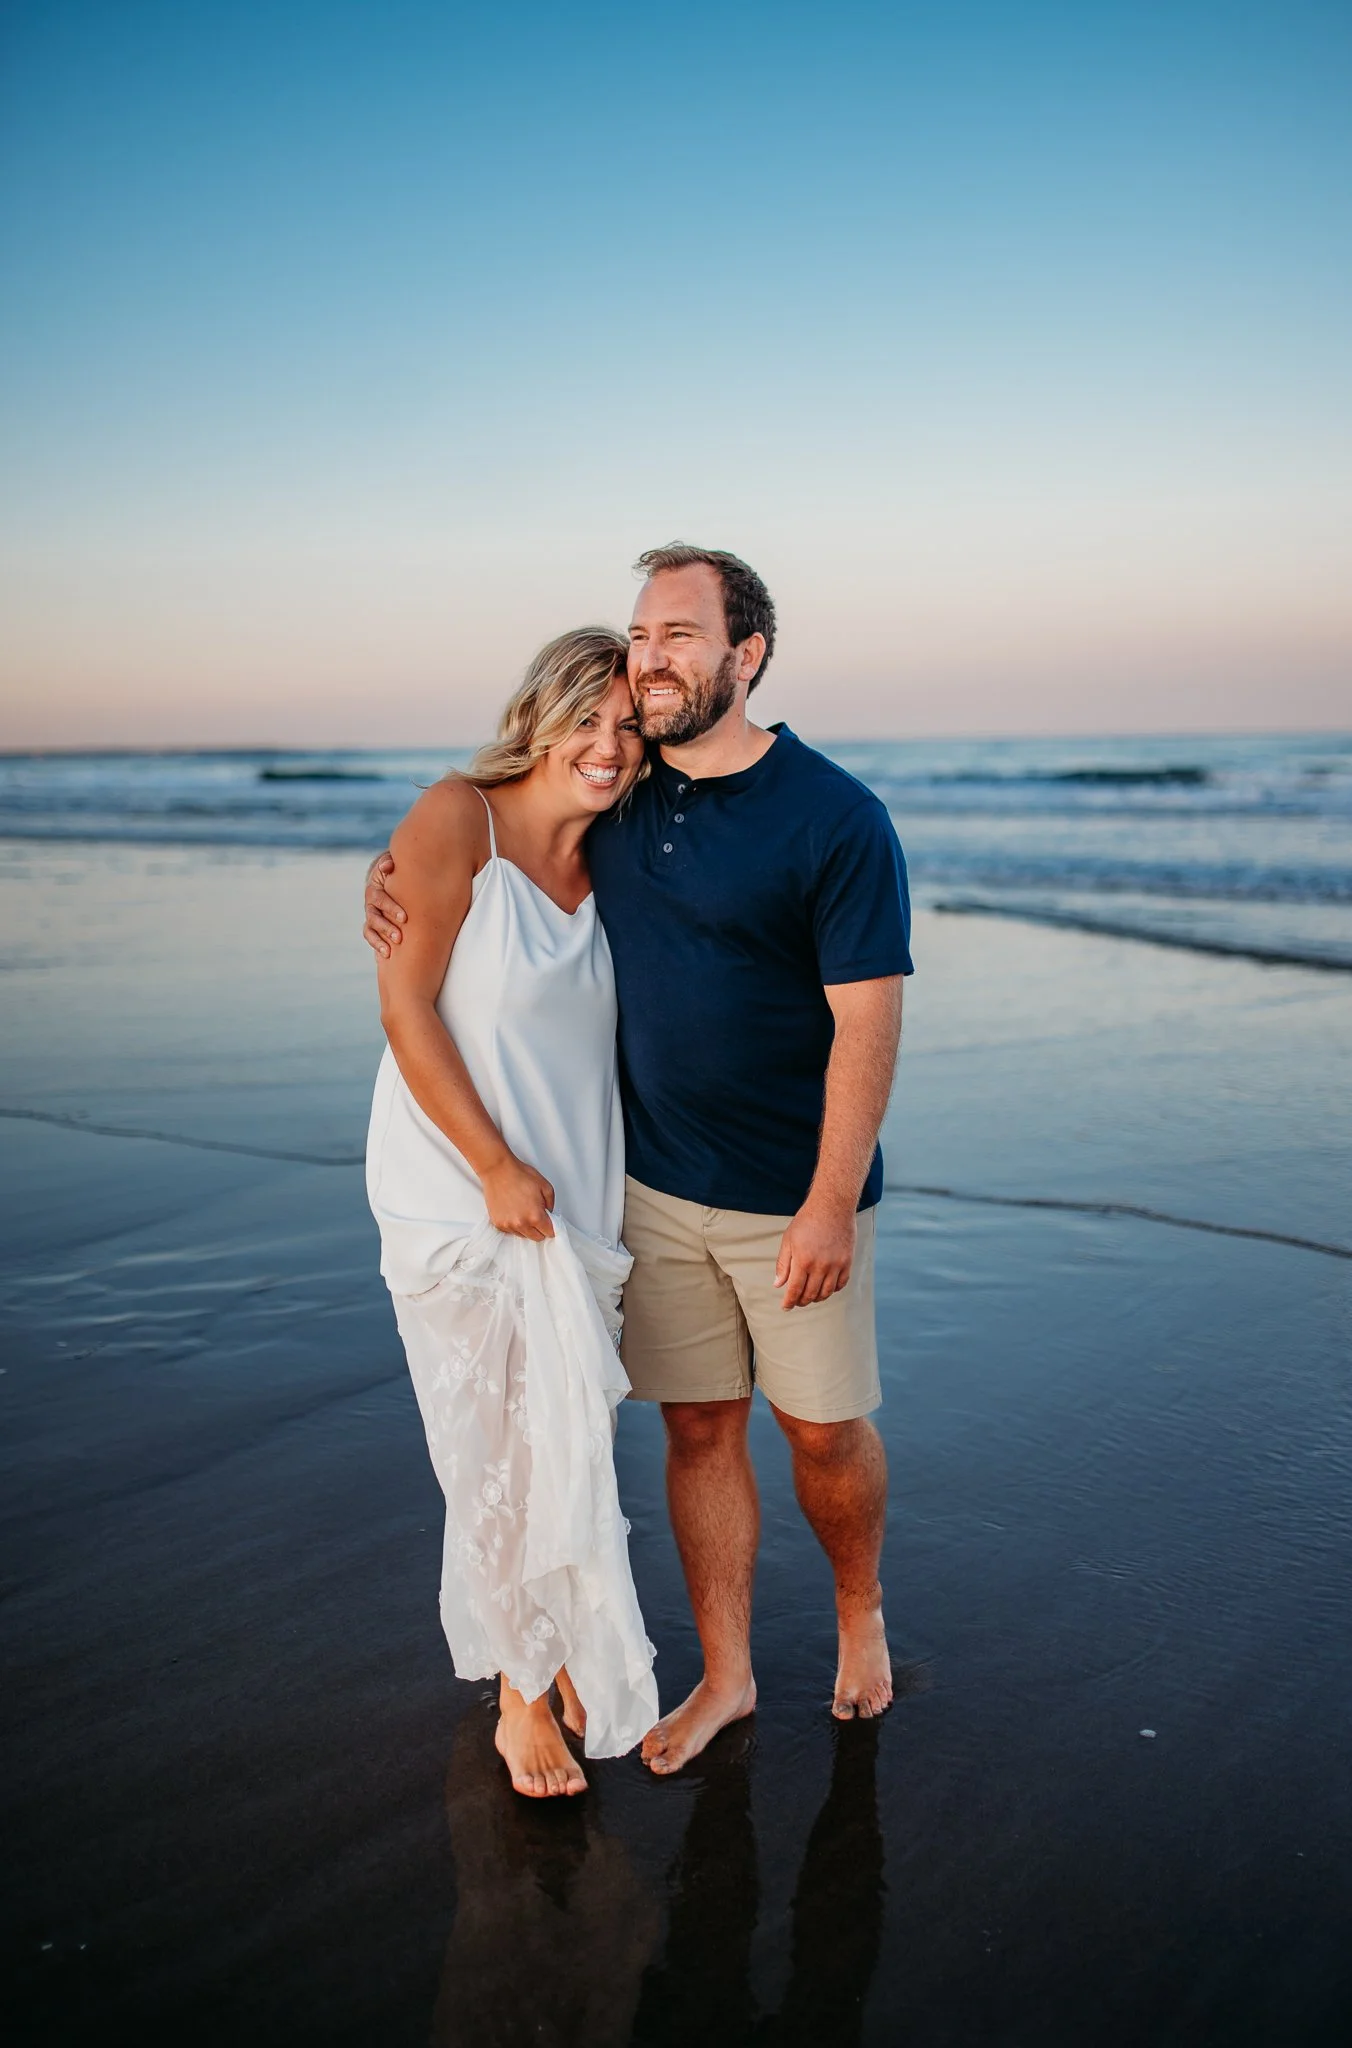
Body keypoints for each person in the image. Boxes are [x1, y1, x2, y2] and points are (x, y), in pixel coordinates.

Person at [367, 545, 912, 1774]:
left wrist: (832, 1199)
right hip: (638, 1189)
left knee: (822, 1432)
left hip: (785, 1196)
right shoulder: (620, 797)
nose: (648, 670)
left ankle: (860, 1609)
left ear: (746, 654)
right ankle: (720, 1675)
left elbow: (870, 1022)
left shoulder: (833, 817)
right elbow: (472, 865)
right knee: (682, 1432)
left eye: (679, 636)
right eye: (642, 634)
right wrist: (395, 872)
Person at [366, 626, 657, 1800]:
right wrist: (491, 1164)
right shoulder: (458, 818)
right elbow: (406, 1008)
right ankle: (520, 1695)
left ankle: (563, 1644)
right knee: (492, 1448)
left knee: (569, 1439)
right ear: (539, 717)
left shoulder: (620, 851)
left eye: (629, 726)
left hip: (576, 1197)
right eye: (587, 719)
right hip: (459, 1191)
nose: (609, 745)